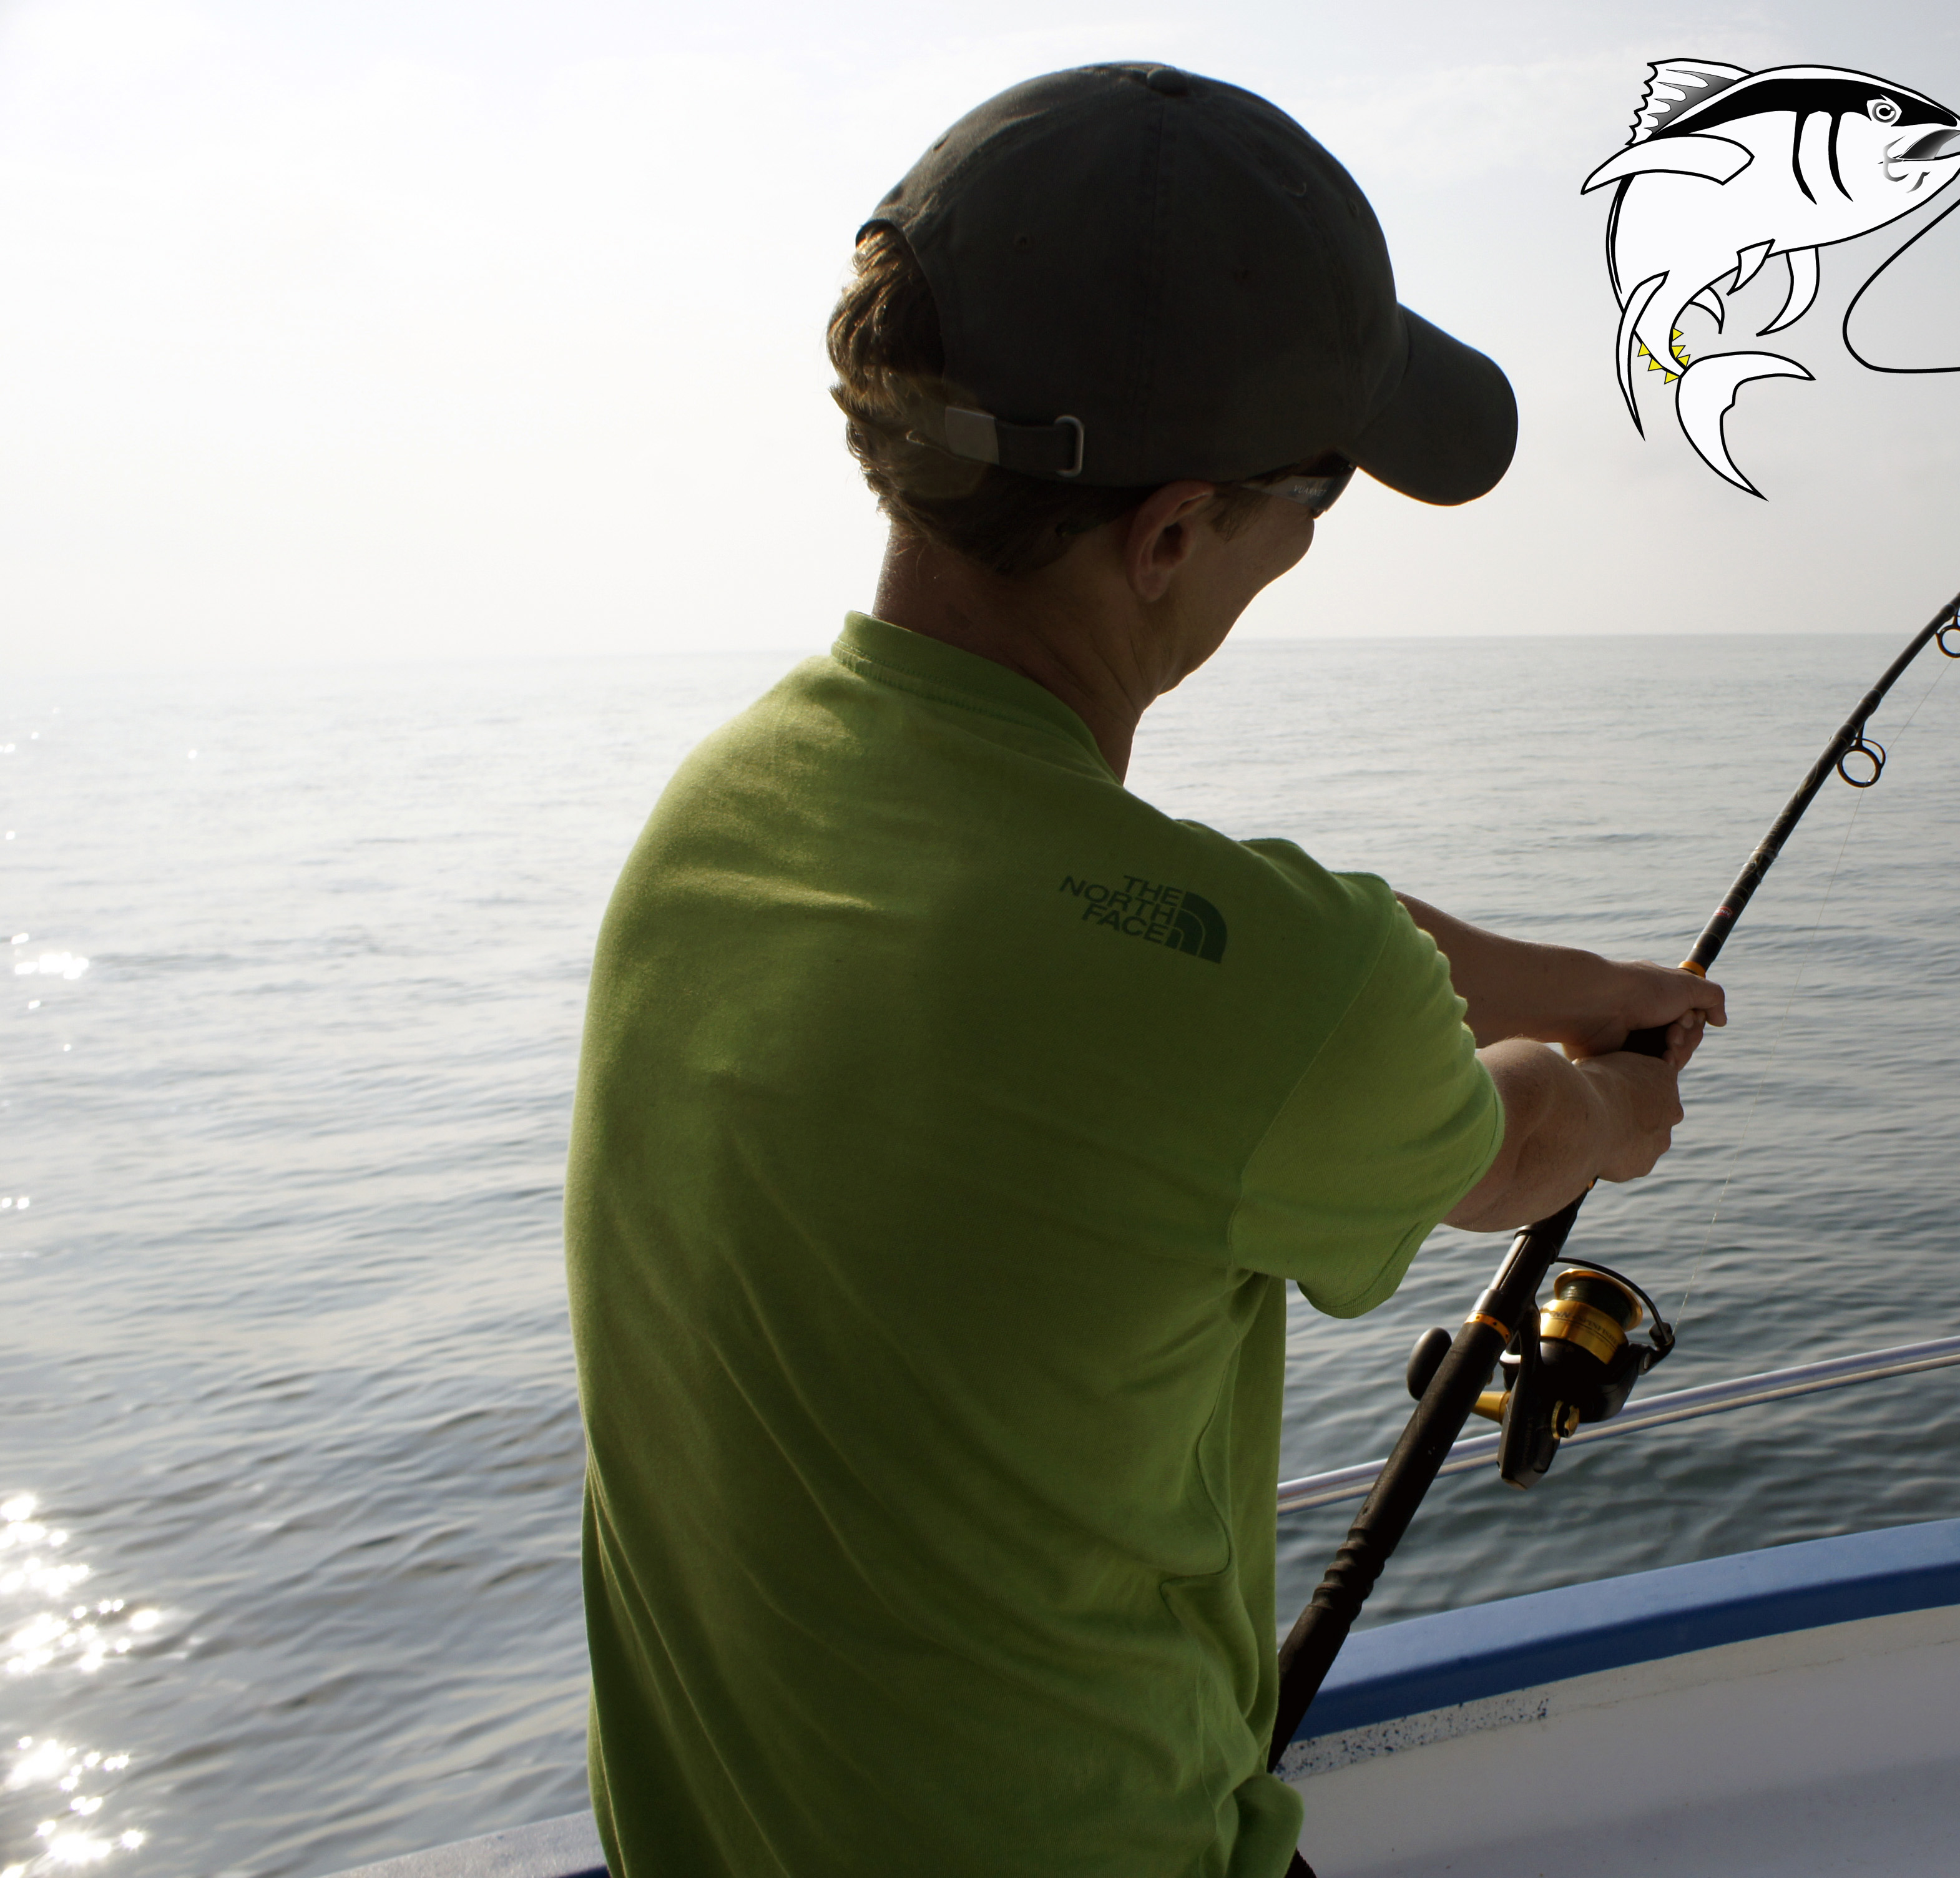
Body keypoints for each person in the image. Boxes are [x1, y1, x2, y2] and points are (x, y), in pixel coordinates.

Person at [563, 62, 1724, 1878]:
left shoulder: (723, 812)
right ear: (1174, 533)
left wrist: (1565, 977)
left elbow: (1204, 954)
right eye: (1316, 495)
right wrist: (1618, 1105)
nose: (1310, 541)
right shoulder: (1269, 991)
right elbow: (1500, 1137)